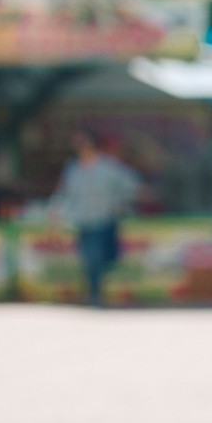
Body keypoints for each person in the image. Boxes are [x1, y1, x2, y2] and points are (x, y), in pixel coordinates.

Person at [50, 129, 139, 306]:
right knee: (88, 257)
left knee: (101, 257)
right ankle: (94, 292)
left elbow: (131, 184)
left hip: (104, 219)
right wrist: (55, 210)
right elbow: (66, 193)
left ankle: (96, 291)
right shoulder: (73, 169)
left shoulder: (108, 167)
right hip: (83, 220)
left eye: (82, 143)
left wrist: (119, 203)